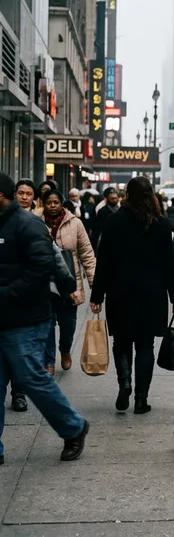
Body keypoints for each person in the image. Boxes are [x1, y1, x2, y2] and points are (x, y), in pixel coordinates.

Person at [0, 172, 89, 465]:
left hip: (26, 319)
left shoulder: (27, 225)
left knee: (31, 378)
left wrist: (71, 289)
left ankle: (73, 427)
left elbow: (41, 270)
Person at [91, 176, 174, 415]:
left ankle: (125, 383)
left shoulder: (114, 222)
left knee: (121, 341)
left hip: (120, 291)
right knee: (145, 345)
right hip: (152, 292)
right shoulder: (162, 225)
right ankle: (141, 399)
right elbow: (168, 264)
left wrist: (97, 294)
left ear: (127, 196)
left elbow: (104, 261)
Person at [40, 190, 96, 373]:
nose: (53, 205)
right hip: (44, 284)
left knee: (68, 325)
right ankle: (49, 360)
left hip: (70, 284)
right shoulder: (35, 221)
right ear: (44, 204)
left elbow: (87, 254)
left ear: (62, 204)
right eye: (49, 202)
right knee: (47, 324)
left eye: (56, 202)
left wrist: (94, 284)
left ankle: (65, 350)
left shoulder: (75, 223)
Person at [7, 179, 38, 413]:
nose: (24, 197)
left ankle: (19, 393)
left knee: (21, 359)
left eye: (28, 193)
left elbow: (49, 263)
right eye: (21, 193)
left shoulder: (35, 221)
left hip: (22, 304)